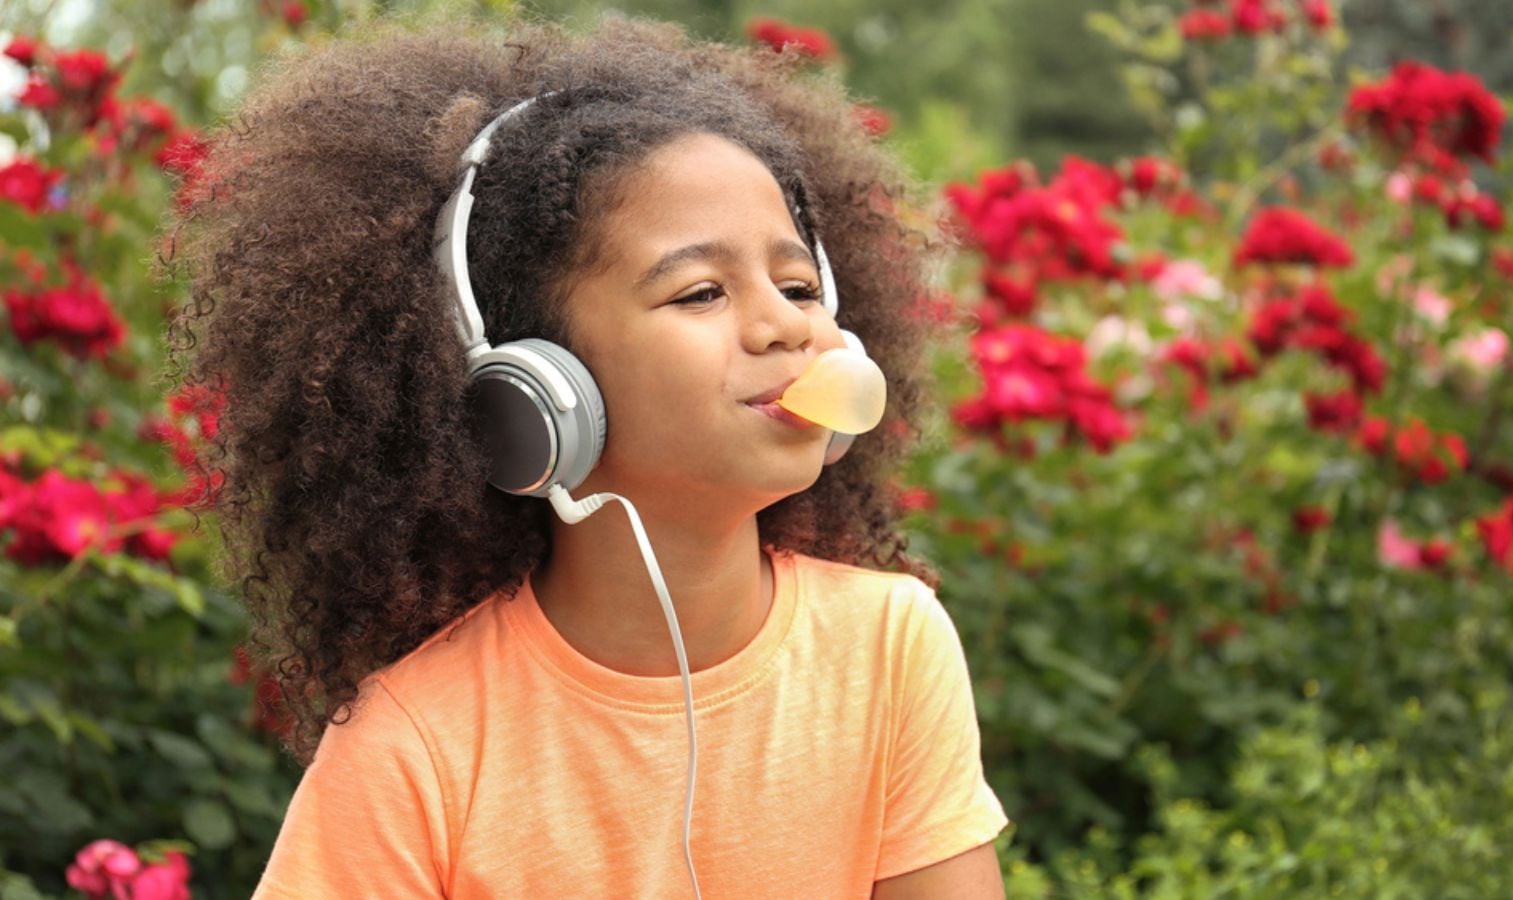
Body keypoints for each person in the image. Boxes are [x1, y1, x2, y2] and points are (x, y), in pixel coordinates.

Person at [167, 13, 1008, 898]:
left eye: (799, 285)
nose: (788, 325)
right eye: (702, 291)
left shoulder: (889, 645)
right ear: (535, 389)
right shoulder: (415, 745)